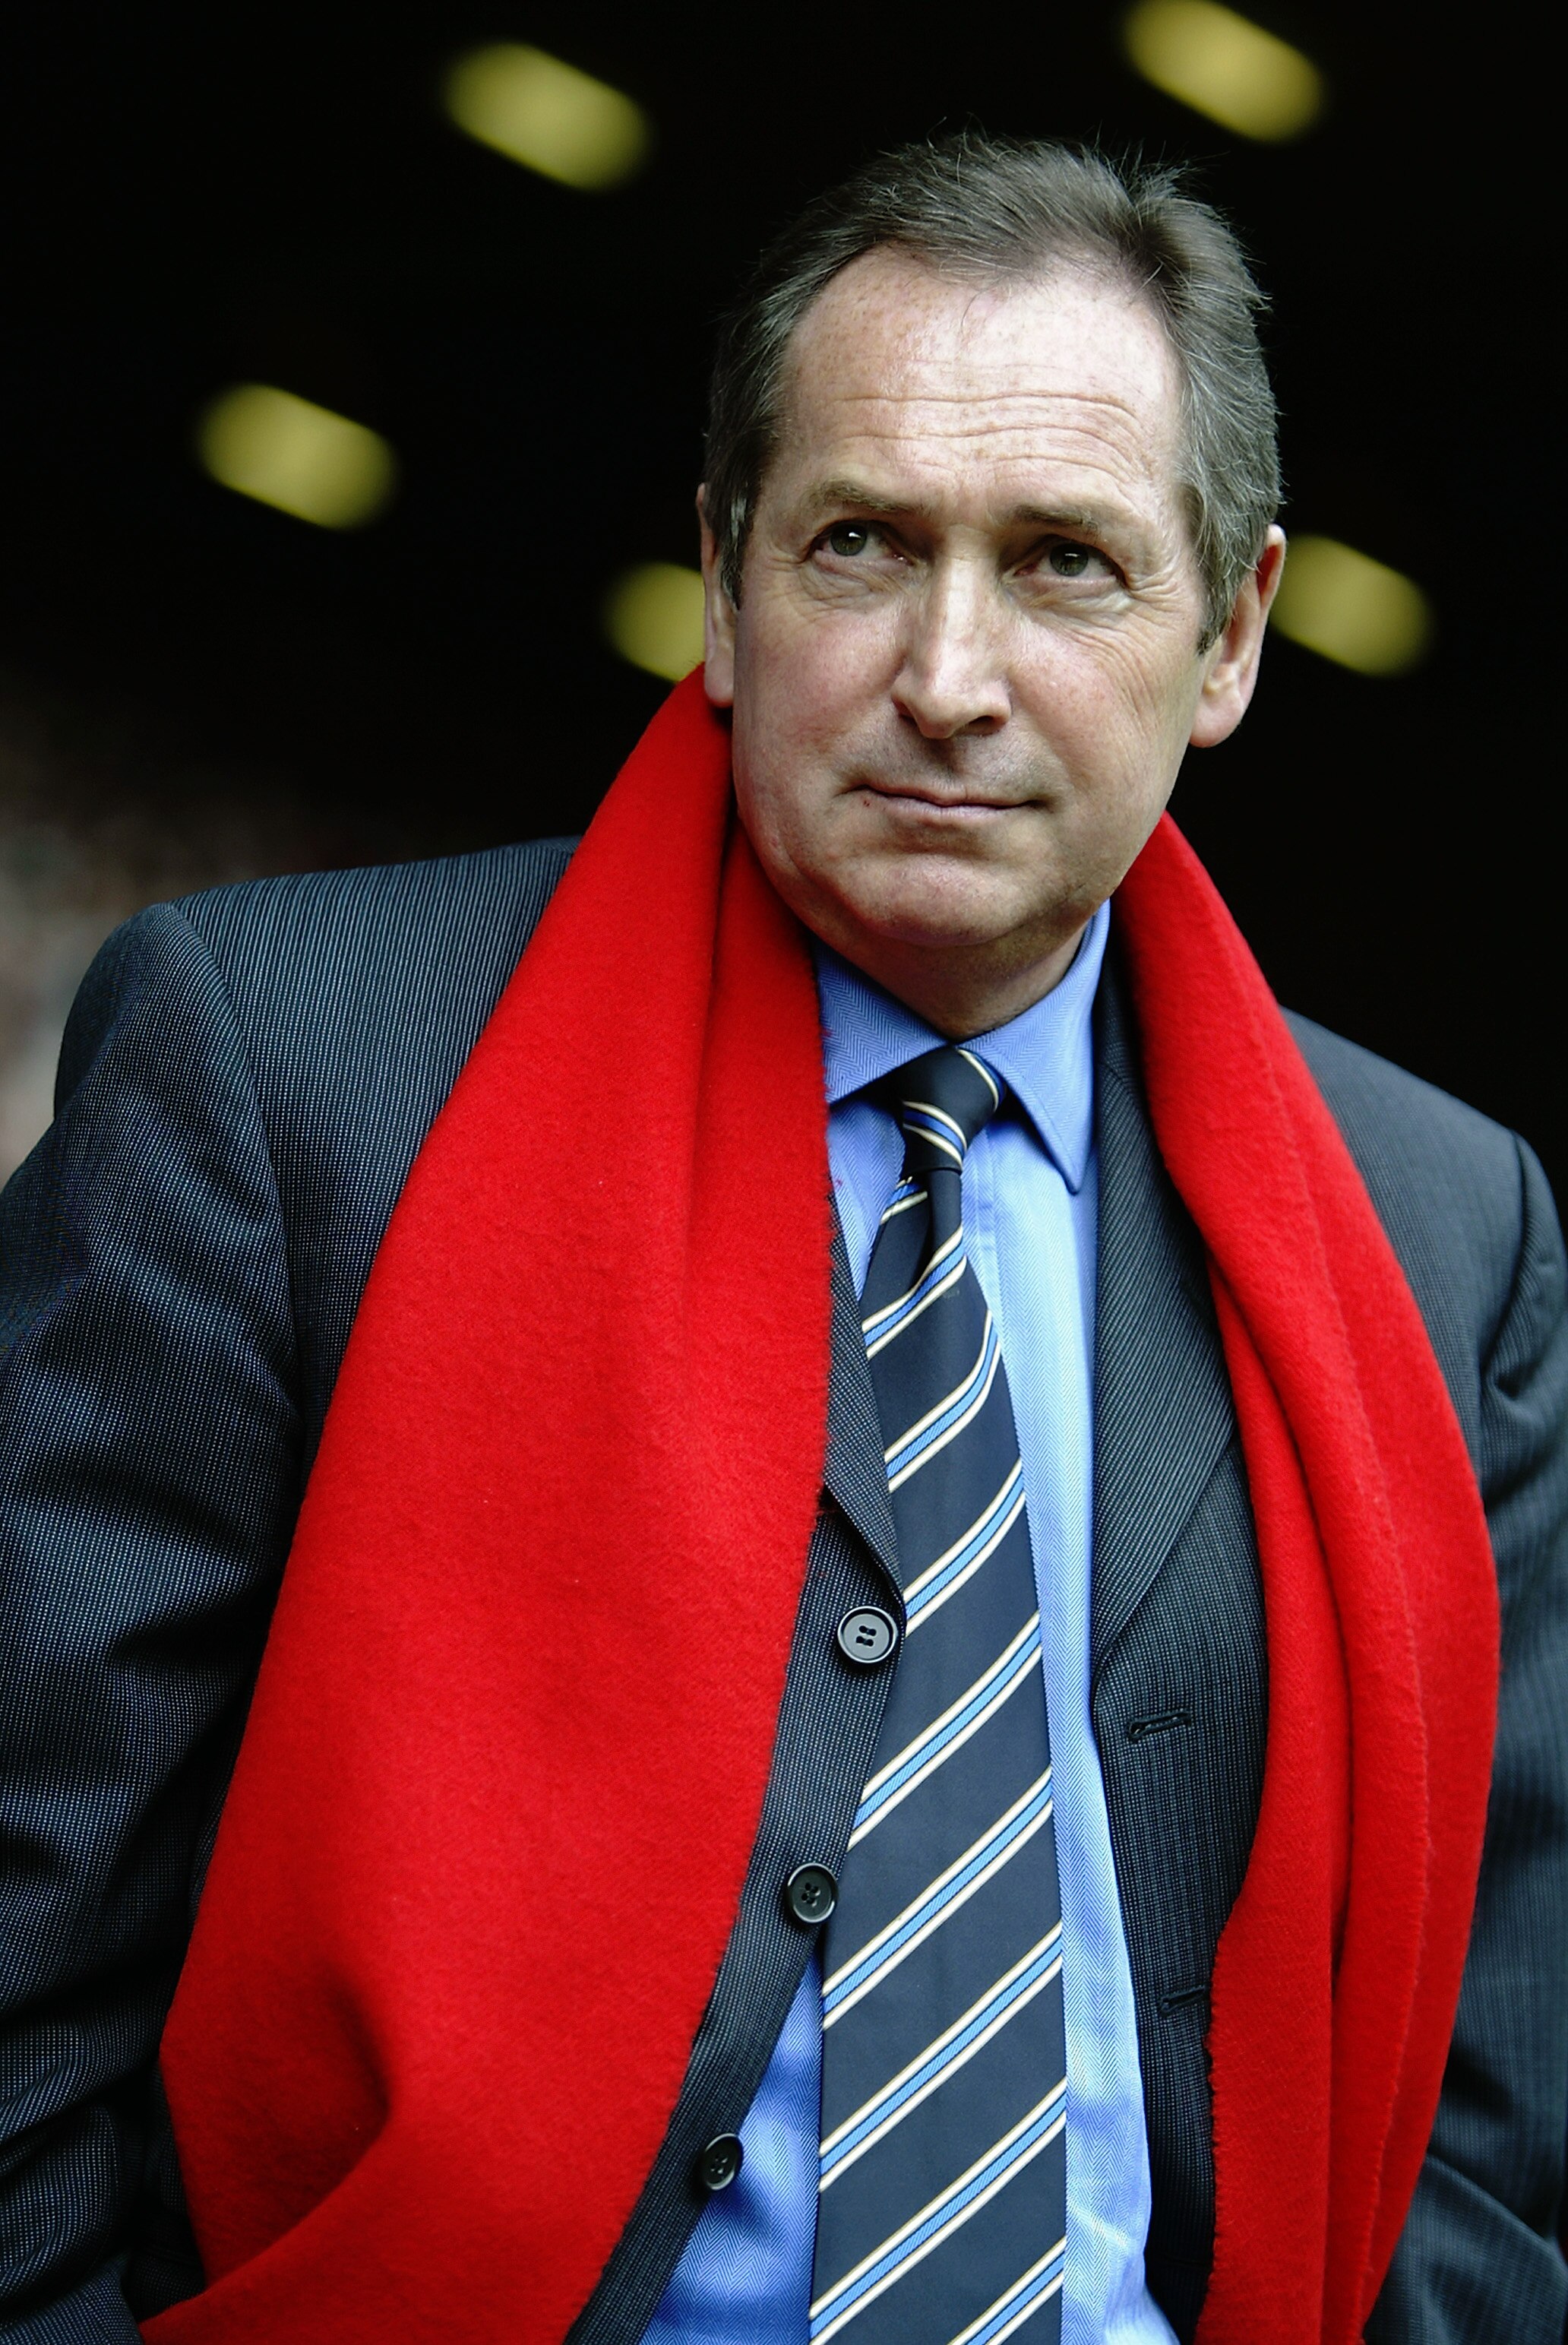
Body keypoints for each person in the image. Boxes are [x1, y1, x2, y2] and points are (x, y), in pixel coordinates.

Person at [1, 134, 1563, 2345]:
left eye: (1064, 564)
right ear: (725, 584)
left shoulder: (1447, 1227)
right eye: (862, 544)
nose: (949, 672)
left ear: (1230, 632)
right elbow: (30, 1936)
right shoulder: (276, 1072)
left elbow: (1487, 2111)